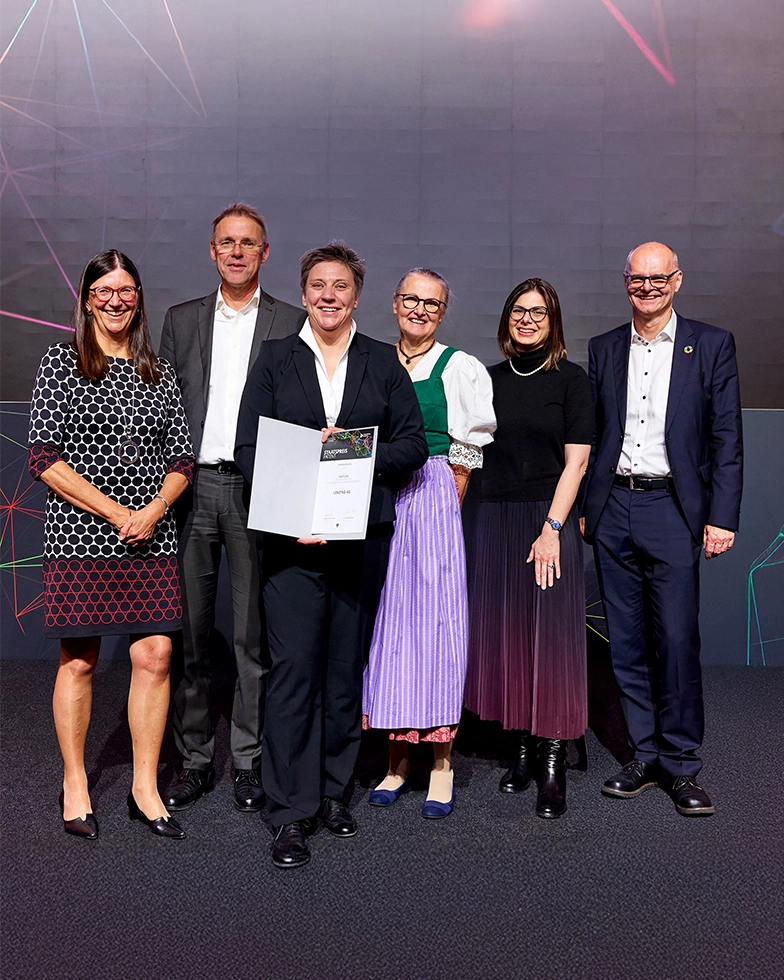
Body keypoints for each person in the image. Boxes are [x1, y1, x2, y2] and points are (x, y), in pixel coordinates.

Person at [235, 241, 428, 868]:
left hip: (358, 538)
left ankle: (330, 793)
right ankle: (289, 811)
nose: (328, 295)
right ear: (304, 292)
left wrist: (349, 451)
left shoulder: (381, 361)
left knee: (344, 672)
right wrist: (293, 514)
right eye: (318, 284)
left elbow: (413, 446)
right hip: (290, 544)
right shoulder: (274, 358)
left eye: (340, 285)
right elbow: (248, 448)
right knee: (294, 672)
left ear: (356, 295)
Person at [28, 250, 194, 840]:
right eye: (104, 290)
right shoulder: (62, 361)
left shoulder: (158, 370)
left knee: (156, 656)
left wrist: (153, 510)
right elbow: (44, 458)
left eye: (126, 290)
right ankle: (76, 782)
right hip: (80, 535)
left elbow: (181, 458)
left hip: (150, 535)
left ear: (138, 298)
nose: (116, 300)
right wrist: (117, 511)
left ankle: (145, 788)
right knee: (80, 660)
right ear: (88, 299)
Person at [581, 241, 743, 816]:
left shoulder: (711, 344)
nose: (646, 288)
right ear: (625, 282)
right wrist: (588, 506)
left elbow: (726, 437)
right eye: (637, 279)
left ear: (676, 281)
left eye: (658, 278)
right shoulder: (604, 347)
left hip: (673, 509)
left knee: (675, 640)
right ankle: (643, 756)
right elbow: (595, 434)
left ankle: (680, 764)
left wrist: (721, 516)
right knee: (625, 642)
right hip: (613, 509)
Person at [159, 203, 306, 814]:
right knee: (191, 636)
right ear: (213, 251)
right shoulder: (181, 319)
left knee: (250, 639)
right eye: (227, 242)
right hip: (189, 489)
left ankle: (247, 760)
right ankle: (194, 760)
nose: (237, 252)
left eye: (248, 243)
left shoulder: (292, 320)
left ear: (264, 253)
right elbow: (161, 408)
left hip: (255, 489)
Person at [362, 269, 496, 818]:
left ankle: (441, 763)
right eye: (411, 300)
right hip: (377, 492)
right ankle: (396, 762)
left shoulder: (457, 366)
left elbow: (465, 453)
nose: (420, 310)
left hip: (432, 491)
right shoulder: (372, 361)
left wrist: (444, 512)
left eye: (432, 303)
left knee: (436, 622)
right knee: (389, 624)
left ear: (442, 312)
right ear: (395, 304)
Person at [463, 278, 593, 819]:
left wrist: (552, 528)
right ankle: (519, 749)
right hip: (493, 519)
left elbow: (577, 463)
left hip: (547, 521)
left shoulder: (572, 380)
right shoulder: (486, 380)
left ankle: (552, 761)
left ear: (553, 320)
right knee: (509, 638)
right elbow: (468, 451)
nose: (527, 319)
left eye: (538, 312)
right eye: (519, 310)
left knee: (553, 642)